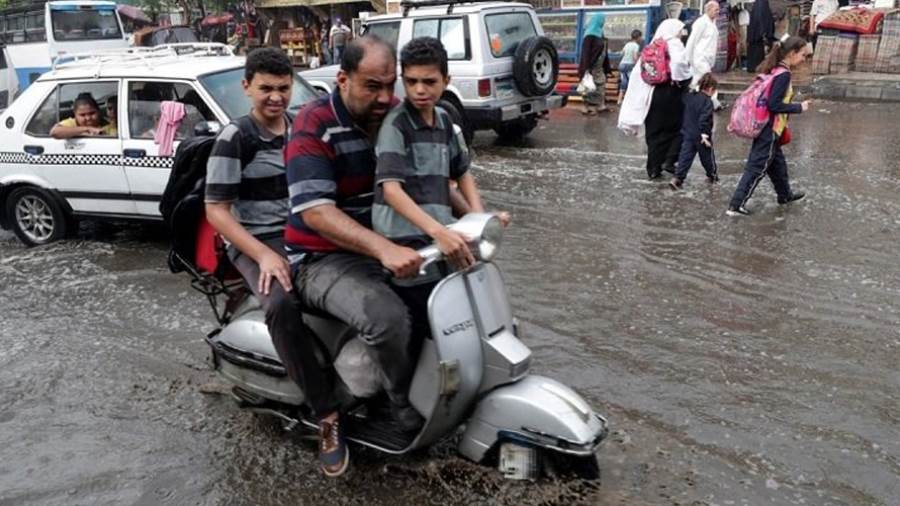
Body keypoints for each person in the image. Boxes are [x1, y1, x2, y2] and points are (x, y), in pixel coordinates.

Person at [283, 36, 429, 477]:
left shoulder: (396, 115)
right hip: (320, 258)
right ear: (342, 79)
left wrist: (470, 220)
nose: (385, 97)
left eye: (389, 85)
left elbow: (433, 173)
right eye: (372, 86)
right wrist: (383, 248)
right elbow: (317, 213)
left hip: (389, 244)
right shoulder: (313, 124)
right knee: (386, 319)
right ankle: (397, 407)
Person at [203, 48, 344, 479]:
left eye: (284, 88)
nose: (277, 97)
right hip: (256, 240)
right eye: (266, 88)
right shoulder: (235, 138)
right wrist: (263, 253)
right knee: (282, 305)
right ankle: (326, 415)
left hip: (307, 230)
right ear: (247, 87)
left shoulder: (302, 127)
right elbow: (217, 211)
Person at [726, 36, 811, 216]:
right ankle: (736, 205)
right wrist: (799, 107)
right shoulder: (784, 74)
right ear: (792, 53)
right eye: (803, 55)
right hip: (769, 129)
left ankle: (785, 195)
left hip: (770, 128)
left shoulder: (776, 70)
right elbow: (774, 105)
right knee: (756, 167)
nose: (804, 59)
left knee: (778, 165)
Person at [643, 19, 692, 179]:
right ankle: (668, 160)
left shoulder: (653, 44)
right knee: (674, 128)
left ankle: (653, 167)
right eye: (680, 30)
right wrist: (685, 79)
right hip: (671, 91)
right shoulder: (674, 43)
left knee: (654, 130)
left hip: (653, 92)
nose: (681, 34)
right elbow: (679, 65)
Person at [670, 73, 719, 190]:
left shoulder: (690, 97)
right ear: (711, 89)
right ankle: (712, 175)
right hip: (702, 136)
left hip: (688, 133)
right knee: (707, 158)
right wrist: (705, 135)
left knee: (685, 157)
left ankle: (677, 179)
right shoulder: (707, 101)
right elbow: (705, 119)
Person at [685, 1, 722, 109]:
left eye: (718, 10)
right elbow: (692, 41)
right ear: (708, 9)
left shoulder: (713, 23)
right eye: (716, 10)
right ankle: (713, 103)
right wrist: (688, 58)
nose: (718, 12)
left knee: (696, 81)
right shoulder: (701, 23)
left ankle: (692, 102)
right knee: (708, 80)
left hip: (707, 59)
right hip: (700, 58)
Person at [577, 13, 611, 115]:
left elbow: (604, 52)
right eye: (602, 20)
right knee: (588, 85)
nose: (603, 22)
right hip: (591, 65)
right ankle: (587, 107)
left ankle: (600, 105)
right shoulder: (589, 35)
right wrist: (586, 68)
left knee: (600, 84)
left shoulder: (600, 34)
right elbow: (586, 53)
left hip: (599, 66)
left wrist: (607, 67)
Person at [50, 93, 117, 139]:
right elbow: (54, 132)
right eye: (82, 115)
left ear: (98, 111)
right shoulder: (72, 123)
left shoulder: (108, 125)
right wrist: (88, 129)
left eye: (92, 113)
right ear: (75, 115)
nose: (88, 118)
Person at [747, 0, 775, 73]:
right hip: (760, 36)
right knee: (758, 52)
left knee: (755, 51)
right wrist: (765, 32)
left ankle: (752, 67)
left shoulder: (757, 7)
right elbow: (765, 20)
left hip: (754, 35)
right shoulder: (763, 5)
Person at [617, 30, 642, 106]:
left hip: (622, 65)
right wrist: (638, 64)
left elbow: (621, 54)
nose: (641, 39)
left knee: (624, 82)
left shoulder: (627, 44)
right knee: (632, 83)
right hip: (630, 65)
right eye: (640, 37)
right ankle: (630, 101)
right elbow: (635, 57)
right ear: (638, 37)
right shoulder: (636, 46)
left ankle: (619, 100)